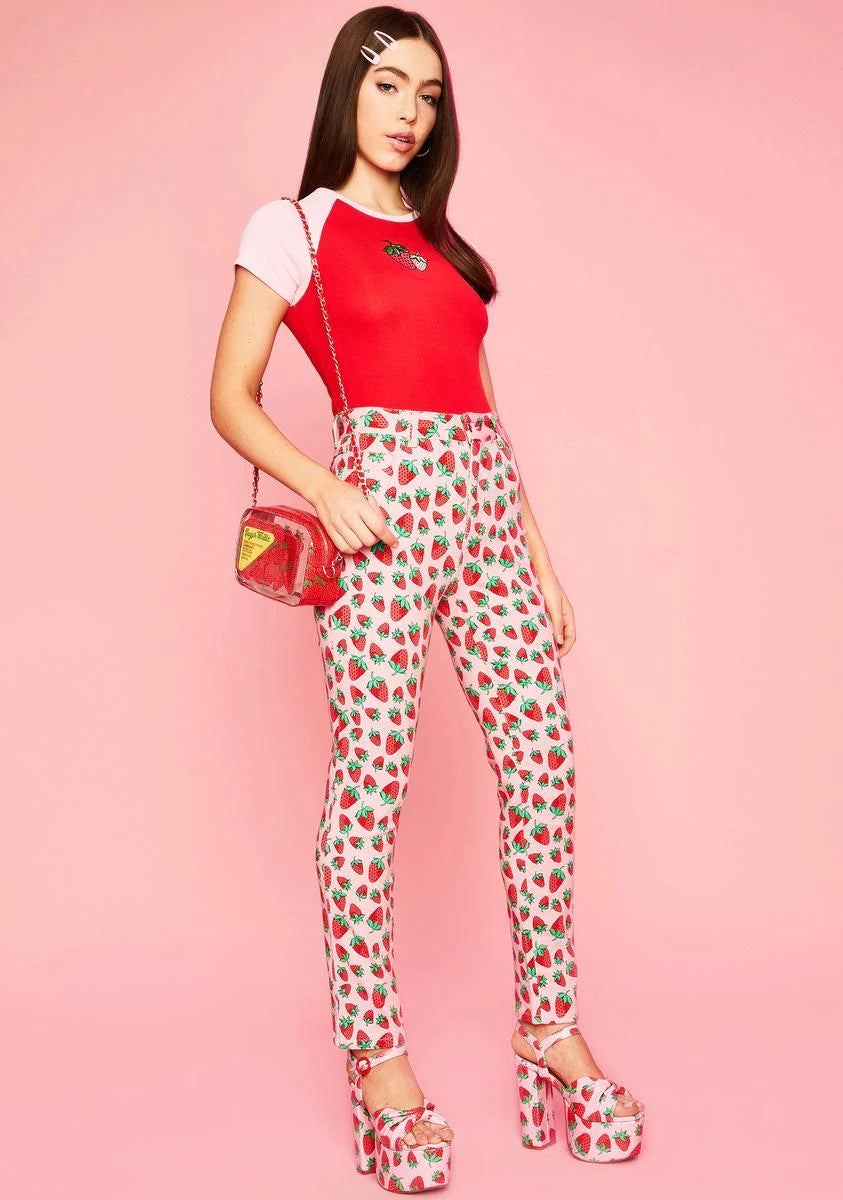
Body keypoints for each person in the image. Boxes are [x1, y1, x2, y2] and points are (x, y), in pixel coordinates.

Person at [211, 7, 645, 1188]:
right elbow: (231, 393)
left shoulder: (448, 248)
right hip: (382, 518)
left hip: (487, 513)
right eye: (389, 84)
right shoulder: (295, 226)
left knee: (544, 764)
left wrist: (539, 558)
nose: (410, 112)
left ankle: (548, 1029)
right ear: (345, 92)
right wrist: (324, 487)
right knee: (374, 780)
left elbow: (481, 409)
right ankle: (379, 1062)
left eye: (430, 93)